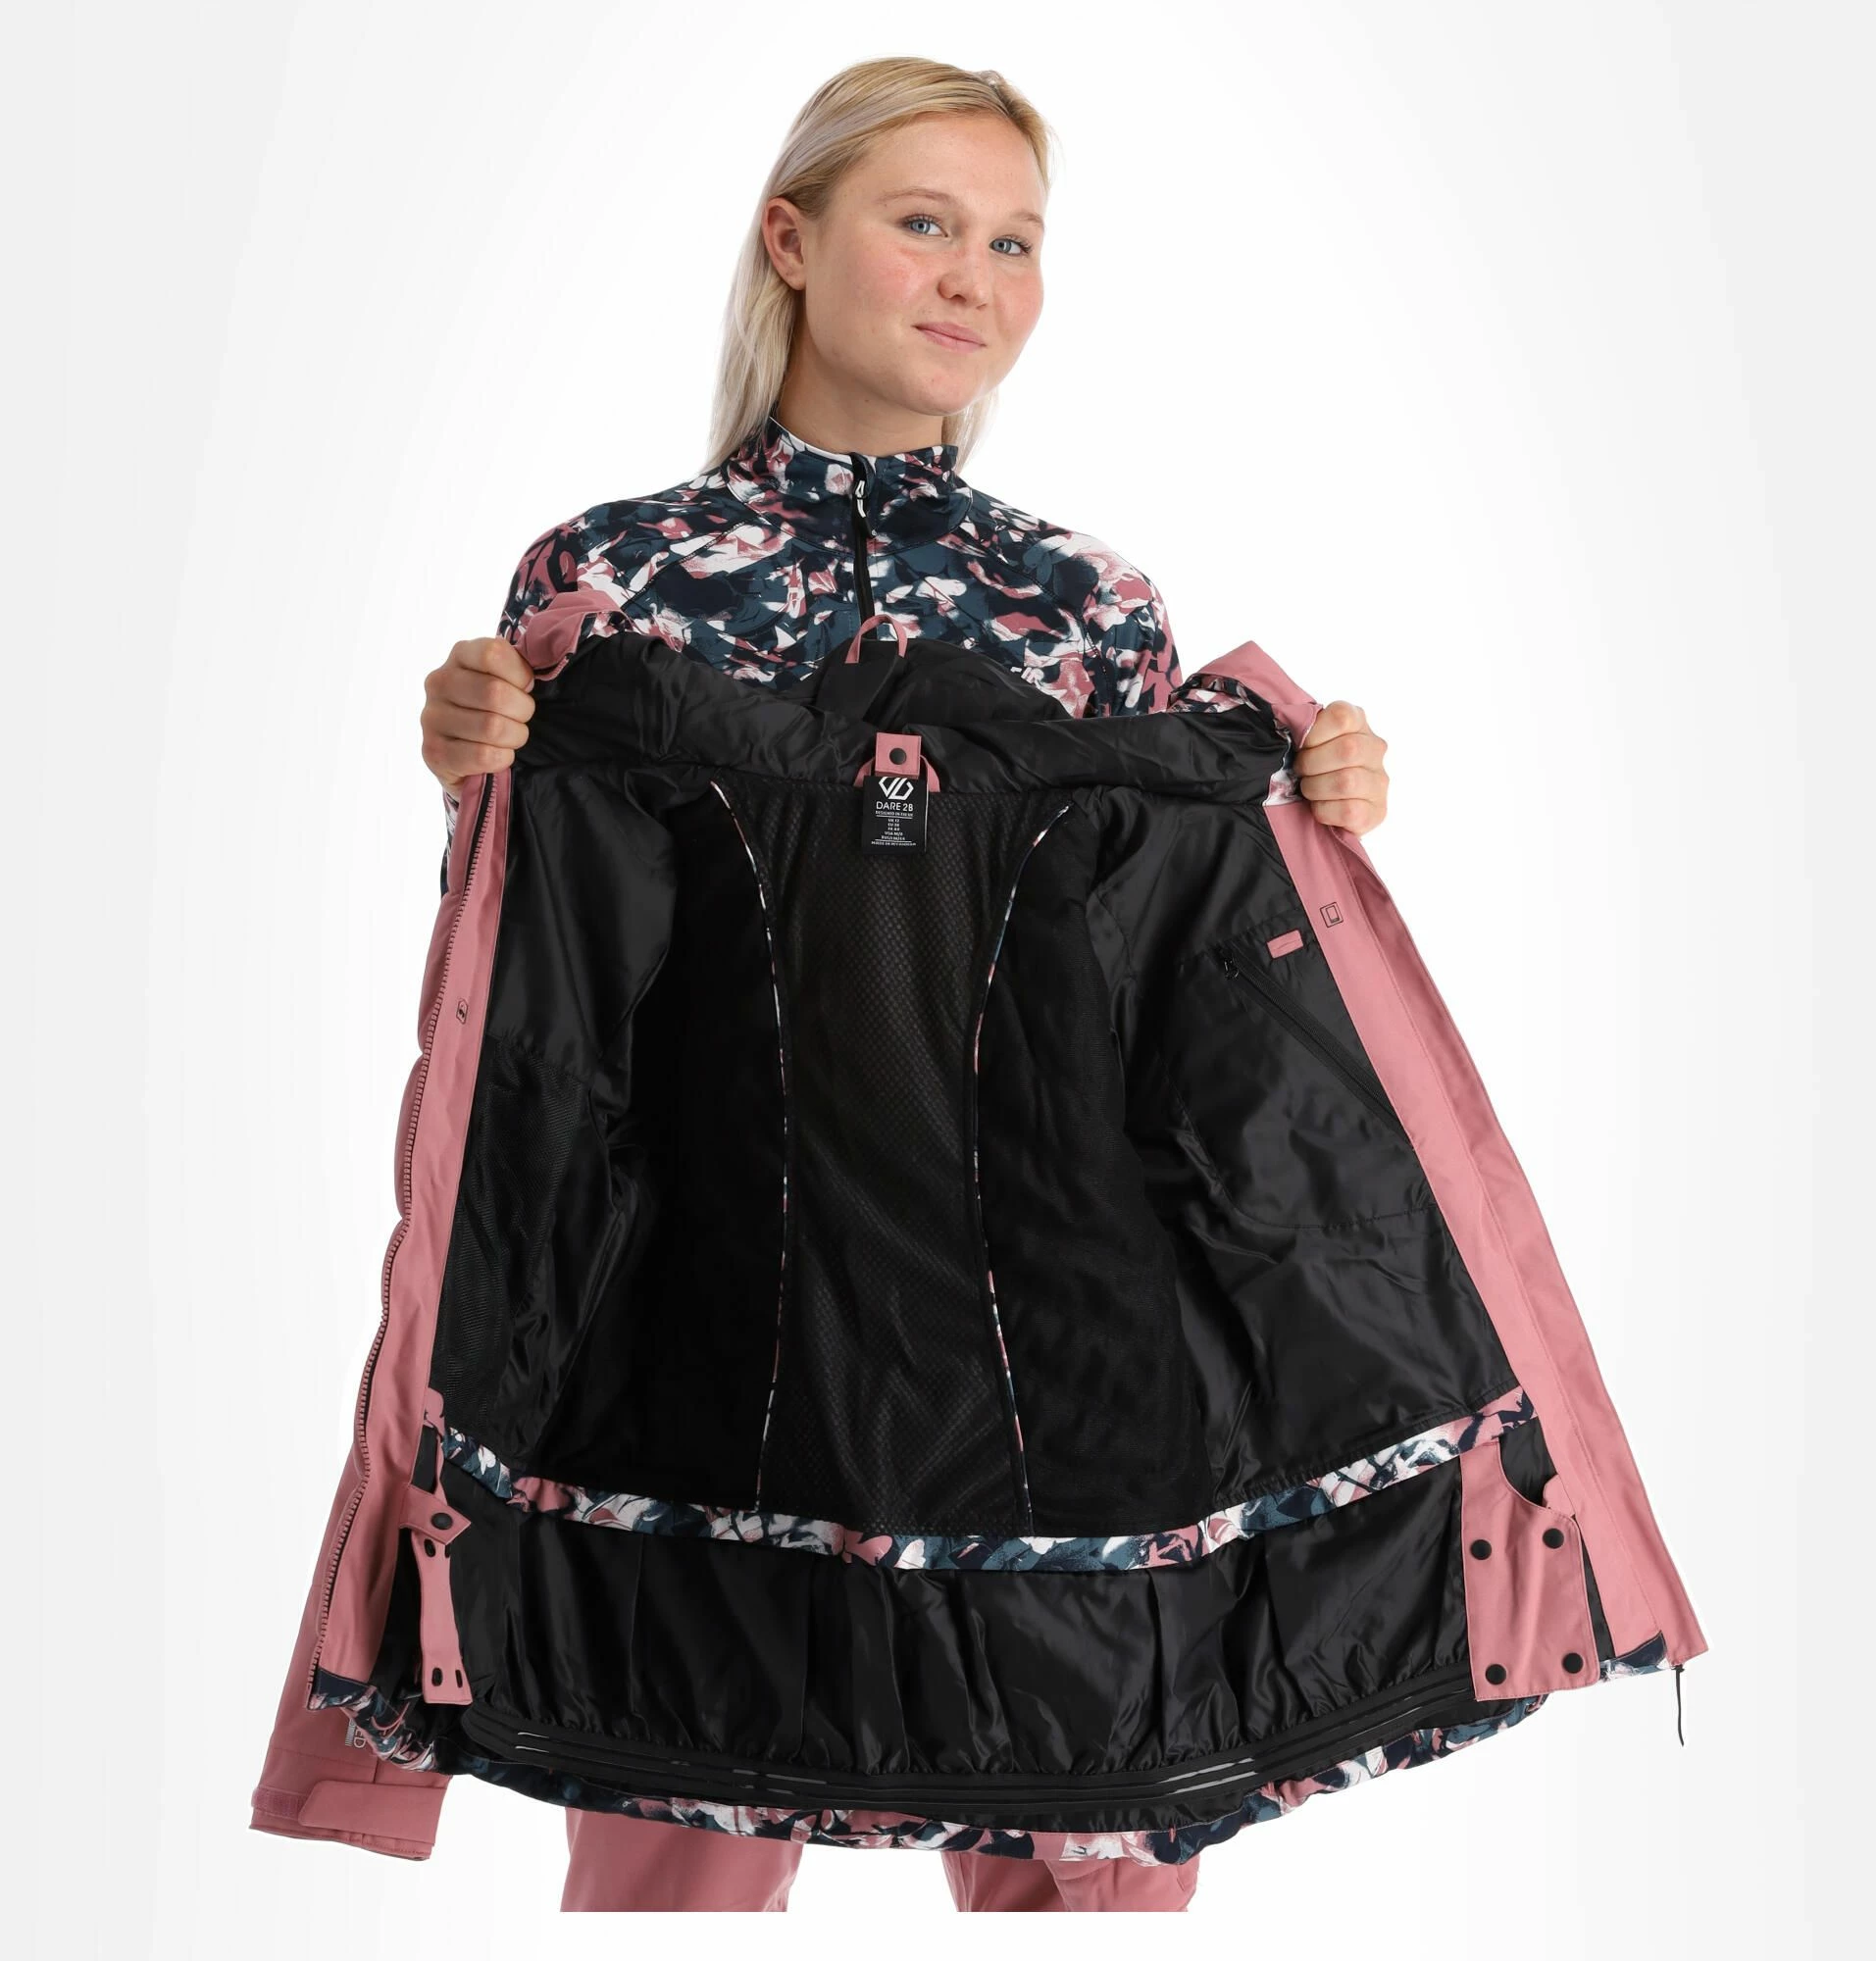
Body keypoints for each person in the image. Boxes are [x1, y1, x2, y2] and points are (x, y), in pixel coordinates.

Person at [414, 55, 1391, 1914]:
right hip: (707, 1316)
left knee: (1092, 1869)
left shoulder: (1092, 605)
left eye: (1014, 241)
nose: (974, 279)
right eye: (924, 222)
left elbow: (1158, 968)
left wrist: (1314, 820)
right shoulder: (614, 578)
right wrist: (471, 765)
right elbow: (541, 979)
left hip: (1052, 1319)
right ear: (790, 242)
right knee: (676, 1863)